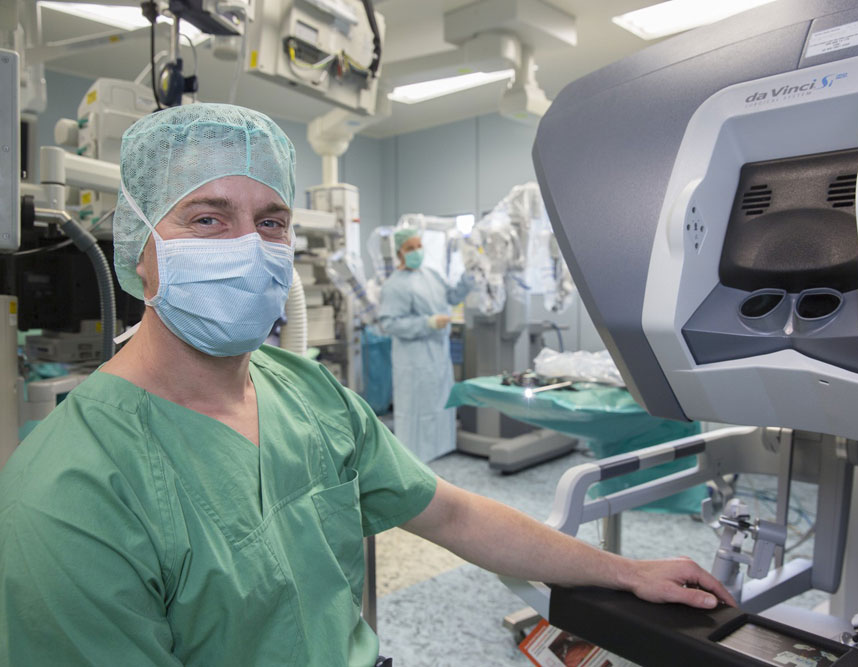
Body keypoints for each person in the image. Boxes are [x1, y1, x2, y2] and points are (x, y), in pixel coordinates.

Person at [0, 103, 735, 667]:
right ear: (140, 250)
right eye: (207, 218)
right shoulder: (70, 489)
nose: (248, 249)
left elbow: (450, 512)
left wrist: (623, 569)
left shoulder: (307, 395)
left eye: (272, 221)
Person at [377, 228, 471, 462]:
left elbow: (452, 296)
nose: (416, 251)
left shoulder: (432, 274)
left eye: (419, 246)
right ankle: (413, 459)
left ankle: (441, 449)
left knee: (441, 404)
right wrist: (427, 323)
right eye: (410, 248)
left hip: (439, 355)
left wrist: (470, 276)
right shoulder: (394, 285)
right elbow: (390, 323)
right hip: (414, 359)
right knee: (416, 410)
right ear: (400, 252)